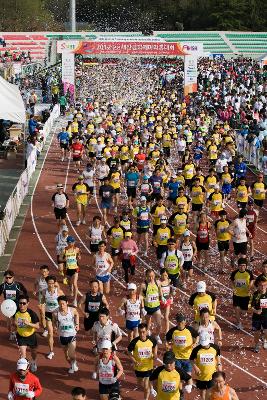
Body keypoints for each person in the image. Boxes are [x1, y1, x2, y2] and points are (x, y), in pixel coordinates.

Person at [128, 323, 158, 400]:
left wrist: (155, 354)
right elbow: (128, 352)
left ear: (147, 331)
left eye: (144, 332)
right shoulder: (134, 342)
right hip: (138, 368)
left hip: (148, 367)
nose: (142, 334)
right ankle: (151, 387)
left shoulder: (151, 340)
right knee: (140, 383)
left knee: (145, 385)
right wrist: (134, 361)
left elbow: (155, 345)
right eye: (140, 332)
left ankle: (146, 398)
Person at [190, 332, 222, 400]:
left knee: (212, 392)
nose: (204, 345)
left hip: (212, 376)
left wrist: (219, 364)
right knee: (202, 392)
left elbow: (218, 356)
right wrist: (195, 367)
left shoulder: (215, 347)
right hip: (200, 376)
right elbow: (191, 359)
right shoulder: (196, 350)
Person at [53, 295, 80, 373]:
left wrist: (77, 324)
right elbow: (54, 322)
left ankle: (73, 363)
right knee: (66, 355)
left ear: (67, 303)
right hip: (62, 336)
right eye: (60, 304)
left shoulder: (72, 310)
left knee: (71, 353)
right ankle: (72, 364)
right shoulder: (55, 313)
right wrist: (54, 327)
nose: (62, 306)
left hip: (72, 335)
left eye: (63, 304)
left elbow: (77, 315)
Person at [13, 295, 39, 372]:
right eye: (20, 303)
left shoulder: (32, 313)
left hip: (31, 336)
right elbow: (14, 321)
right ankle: (23, 371)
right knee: (23, 356)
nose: (22, 305)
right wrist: (15, 323)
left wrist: (29, 324)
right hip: (21, 337)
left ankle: (33, 362)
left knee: (33, 352)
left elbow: (37, 326)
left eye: (24, 303)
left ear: (27, 303)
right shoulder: (16, 312)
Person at [41, 275, 64, 359]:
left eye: (52, 283)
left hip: (58, 315)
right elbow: (43, 300)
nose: (51, 285)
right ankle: (51, 351)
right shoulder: (44, 291)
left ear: (55, 283)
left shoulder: (59, 292)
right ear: (47, 283)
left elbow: (64, 302)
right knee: (50, 333)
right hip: (48, 314)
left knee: (60, 332)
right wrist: (42, 306)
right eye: (49, 283)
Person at [0, 270, 27, 340]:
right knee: (8, 325)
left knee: (16, 322)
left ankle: (15, 333)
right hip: (8, 308)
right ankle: (12, 332)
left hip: (17, 306)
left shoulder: (18, 285)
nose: (8, 279)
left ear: (13, 277)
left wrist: (25, 302)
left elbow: (25, 292)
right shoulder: (3, 286)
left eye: (10, 277)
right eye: (6, 278)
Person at [230, 258, 254, 330]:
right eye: (240, 265)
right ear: (238, 266)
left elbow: (252, 279)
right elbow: (231, 280)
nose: (242, 267)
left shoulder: (249, 273)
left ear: (246, 266)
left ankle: (243, 311)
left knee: (244, 312)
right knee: (237, 309)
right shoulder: (234, 273)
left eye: (244, 265)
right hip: (237, 295)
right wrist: (233, 288)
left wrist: (250, 286)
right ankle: (239, 323)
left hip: (246, 295)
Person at [141, 269, 163, 344]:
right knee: (148, 324)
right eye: (149, 277)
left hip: (156, 307)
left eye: (152, 276)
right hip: (147, 308)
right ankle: (148, 334)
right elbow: (141, 297)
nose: (151, 278)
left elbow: (160, 290)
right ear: (146, 276)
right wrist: (143, 307)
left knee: (159, 324)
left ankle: (157, 335)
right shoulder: (144, 285)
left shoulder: (158, 282)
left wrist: (162, 297)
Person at [250, 278, 267, 352]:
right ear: (258, 286)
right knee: (256, 332)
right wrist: (256, 311)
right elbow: (250, 306)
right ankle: (256, 345)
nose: (263, 287)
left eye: (264, 285)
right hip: (257, 317)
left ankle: (265, 341)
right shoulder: (255, 294)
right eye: (261, 285)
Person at [63, 236, 81, 306]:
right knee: (69, 283)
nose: (71, 244)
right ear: (67, 243)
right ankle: (71, 289)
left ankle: (75, 300)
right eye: (70, 242)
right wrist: (65, 259)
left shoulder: (76, 249)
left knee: (74, 283)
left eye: (73, 242)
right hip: (68, 269)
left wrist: (79, 257)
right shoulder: (64, 250)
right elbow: (61, 258)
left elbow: (79, 255)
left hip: (75, 268)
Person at [159, 268, 174, 333]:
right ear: (160, 275)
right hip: (159, 301)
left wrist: (171, 296)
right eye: (163, 275)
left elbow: (170, 290)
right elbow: (158, 291)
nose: (164, 277)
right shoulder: (159, 282)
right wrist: (161, 297)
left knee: (166, 317)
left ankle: (167, 331)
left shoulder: (169, 281)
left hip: (167, 301)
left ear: (168, 275)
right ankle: (158, 330)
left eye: (165, 275)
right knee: (159, 317)